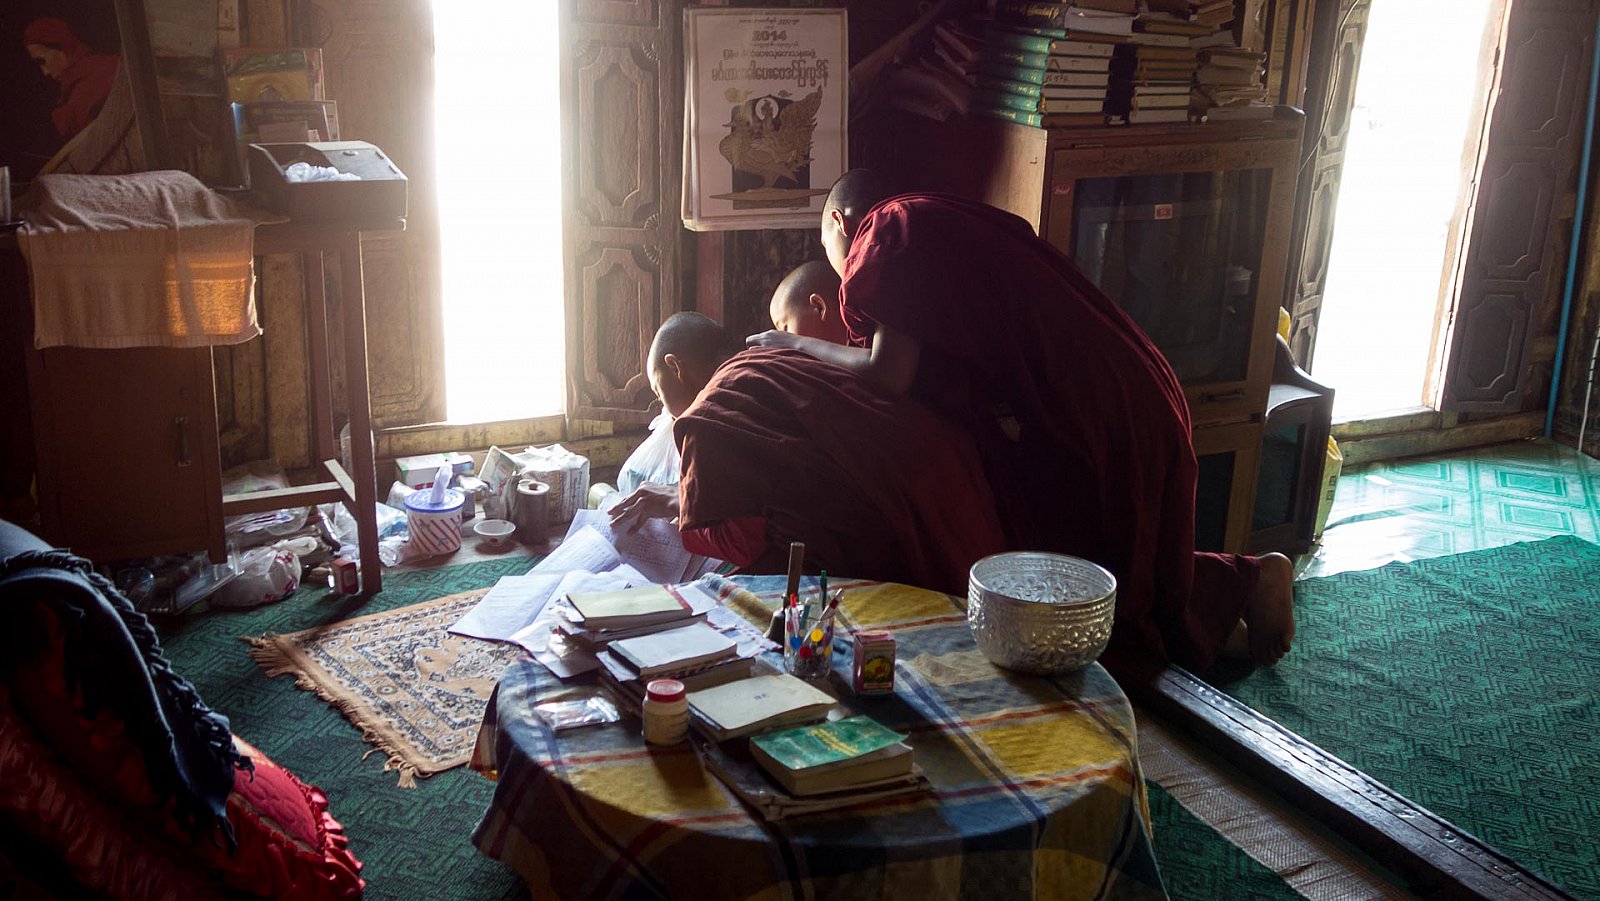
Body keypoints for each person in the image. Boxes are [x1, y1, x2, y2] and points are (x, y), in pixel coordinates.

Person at [747, 170, 1295, 671]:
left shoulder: (889, 230)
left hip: (1094, 398)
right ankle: (1234, 613)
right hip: (1117, 383)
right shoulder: (935, 219)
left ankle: (1250, 582)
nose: (840, 271)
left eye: (828, 249)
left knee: (1105, 572)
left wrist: (790, 345)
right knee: (1099, 556)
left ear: (841, 222)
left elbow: (888, 373)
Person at [609, 311, 1006, 595]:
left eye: (659, 391)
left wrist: (681, 506)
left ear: (675, 367)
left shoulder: (709, 414)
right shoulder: (776, 360)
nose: (665, 409)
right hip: (946, 491)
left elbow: (744, 543)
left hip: (880, 534)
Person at [23, 17, 119, 141]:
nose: (45, 72)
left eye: (42, 61)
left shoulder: (107, 68)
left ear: (60, 45)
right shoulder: (70, 92)